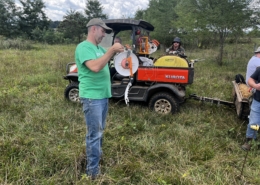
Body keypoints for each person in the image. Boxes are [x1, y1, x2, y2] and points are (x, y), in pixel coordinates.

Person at [75, 18, 124, 179]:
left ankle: (95, 163)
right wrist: (111, 50)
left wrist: (123, 56)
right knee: (94, 134)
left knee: (99, 132)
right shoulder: (83, 47)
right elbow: (95, 67)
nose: (104, 35)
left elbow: (109, 63)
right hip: (92, 97)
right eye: (103, 31)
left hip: (102, 96)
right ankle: (92, 173)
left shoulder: (99, 49)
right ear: (94, 29)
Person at [241, 66, 260, 151]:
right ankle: (250, 141)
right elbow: (250, 80)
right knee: (255, 122)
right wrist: (255, 85)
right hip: (258, 101)